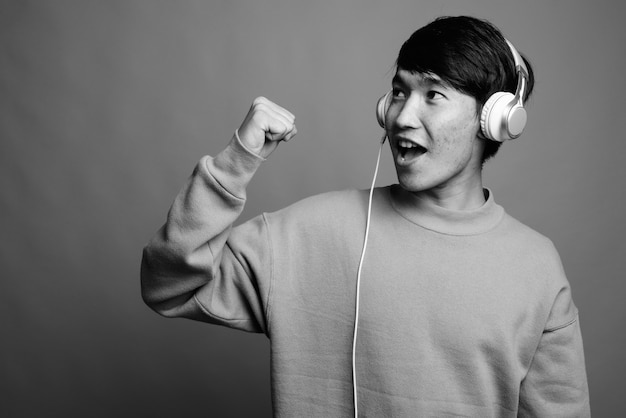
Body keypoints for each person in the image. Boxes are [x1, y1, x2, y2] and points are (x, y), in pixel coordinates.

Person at [141, 15, 590, 417]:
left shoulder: (535, 266)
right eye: (398, 92)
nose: (402, 117)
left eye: (434, 94)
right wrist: (236, 161)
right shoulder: (308, 232)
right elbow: (169, 287)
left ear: (493, 120)